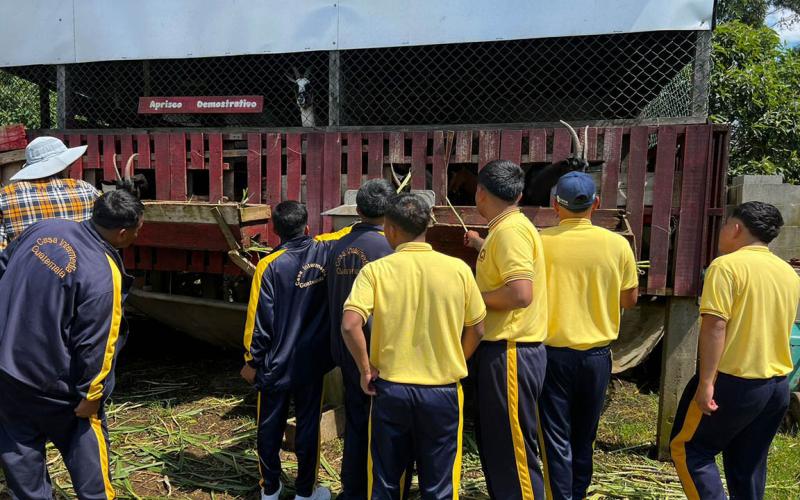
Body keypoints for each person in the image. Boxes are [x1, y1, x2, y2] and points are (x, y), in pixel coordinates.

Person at [0, 190, 143, 499]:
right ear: (123, 232)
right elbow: (98, 343)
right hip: (53, 384)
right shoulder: (103, 274)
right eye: (138, 229)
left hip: (7, 370)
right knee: (86, 451)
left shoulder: (45, 228)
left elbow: (4, 265)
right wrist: (91, 394)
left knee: (20, 452)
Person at [342, 193, 486, 499]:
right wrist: (457, 359)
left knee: (386, 480)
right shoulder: (459, 269)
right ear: (427, 226)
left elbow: (350, 323)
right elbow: (478, 328)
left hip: (391, 390)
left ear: (390, 229)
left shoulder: (376, 271)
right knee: (439, 484)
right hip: (442, 390)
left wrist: (365, 369)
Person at [670, 201, 800, 500]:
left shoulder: (726, 266)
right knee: (749, 463)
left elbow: (715, 326)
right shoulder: (788, 273)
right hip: (777, 386)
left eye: (726, 224)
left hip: (734, 383)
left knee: (690, 450)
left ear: (737, 228)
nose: (723, 230)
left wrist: (706, 383)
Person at [537, 172, 639, 500]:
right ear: (596, 204)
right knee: (585, 436)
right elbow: (630, 299)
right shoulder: (617, 244)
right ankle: (578, 494)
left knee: (555, 436)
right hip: (597, 356)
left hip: (553, 355)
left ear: (555, 205)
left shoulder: (540, 241)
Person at [464, 159, 548, 499]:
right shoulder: (507, 228)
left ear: (480, 192)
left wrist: (473, 301)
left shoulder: (510, 232)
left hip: (511, 351)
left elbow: (519, 293)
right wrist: (480, 246)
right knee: (499, 444)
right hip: (504, 351)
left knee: (513, 451)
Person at [241, 201, 334, 500]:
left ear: (275, 231)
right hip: (312, 362)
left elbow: (259, 321)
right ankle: (306, 491)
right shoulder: (324, 251)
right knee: (308, 425)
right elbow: (345, 232)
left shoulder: (269, 265)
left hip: (275, 364)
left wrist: (251, 360)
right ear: (307, 226)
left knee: (269, 426)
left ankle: (270, 488)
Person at [323, 179, 397, 499]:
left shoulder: (336, 246)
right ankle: (375, 488)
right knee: (382, 428)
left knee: (355, 424)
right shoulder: (390, 250)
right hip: (378, 356)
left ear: (358, 209)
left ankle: (352, 489)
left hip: (347, 353)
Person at [0, 136, 100, 250]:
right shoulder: (85, 189)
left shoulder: (5, 197)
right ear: (64, 165)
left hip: (28, 266)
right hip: (82, 265)